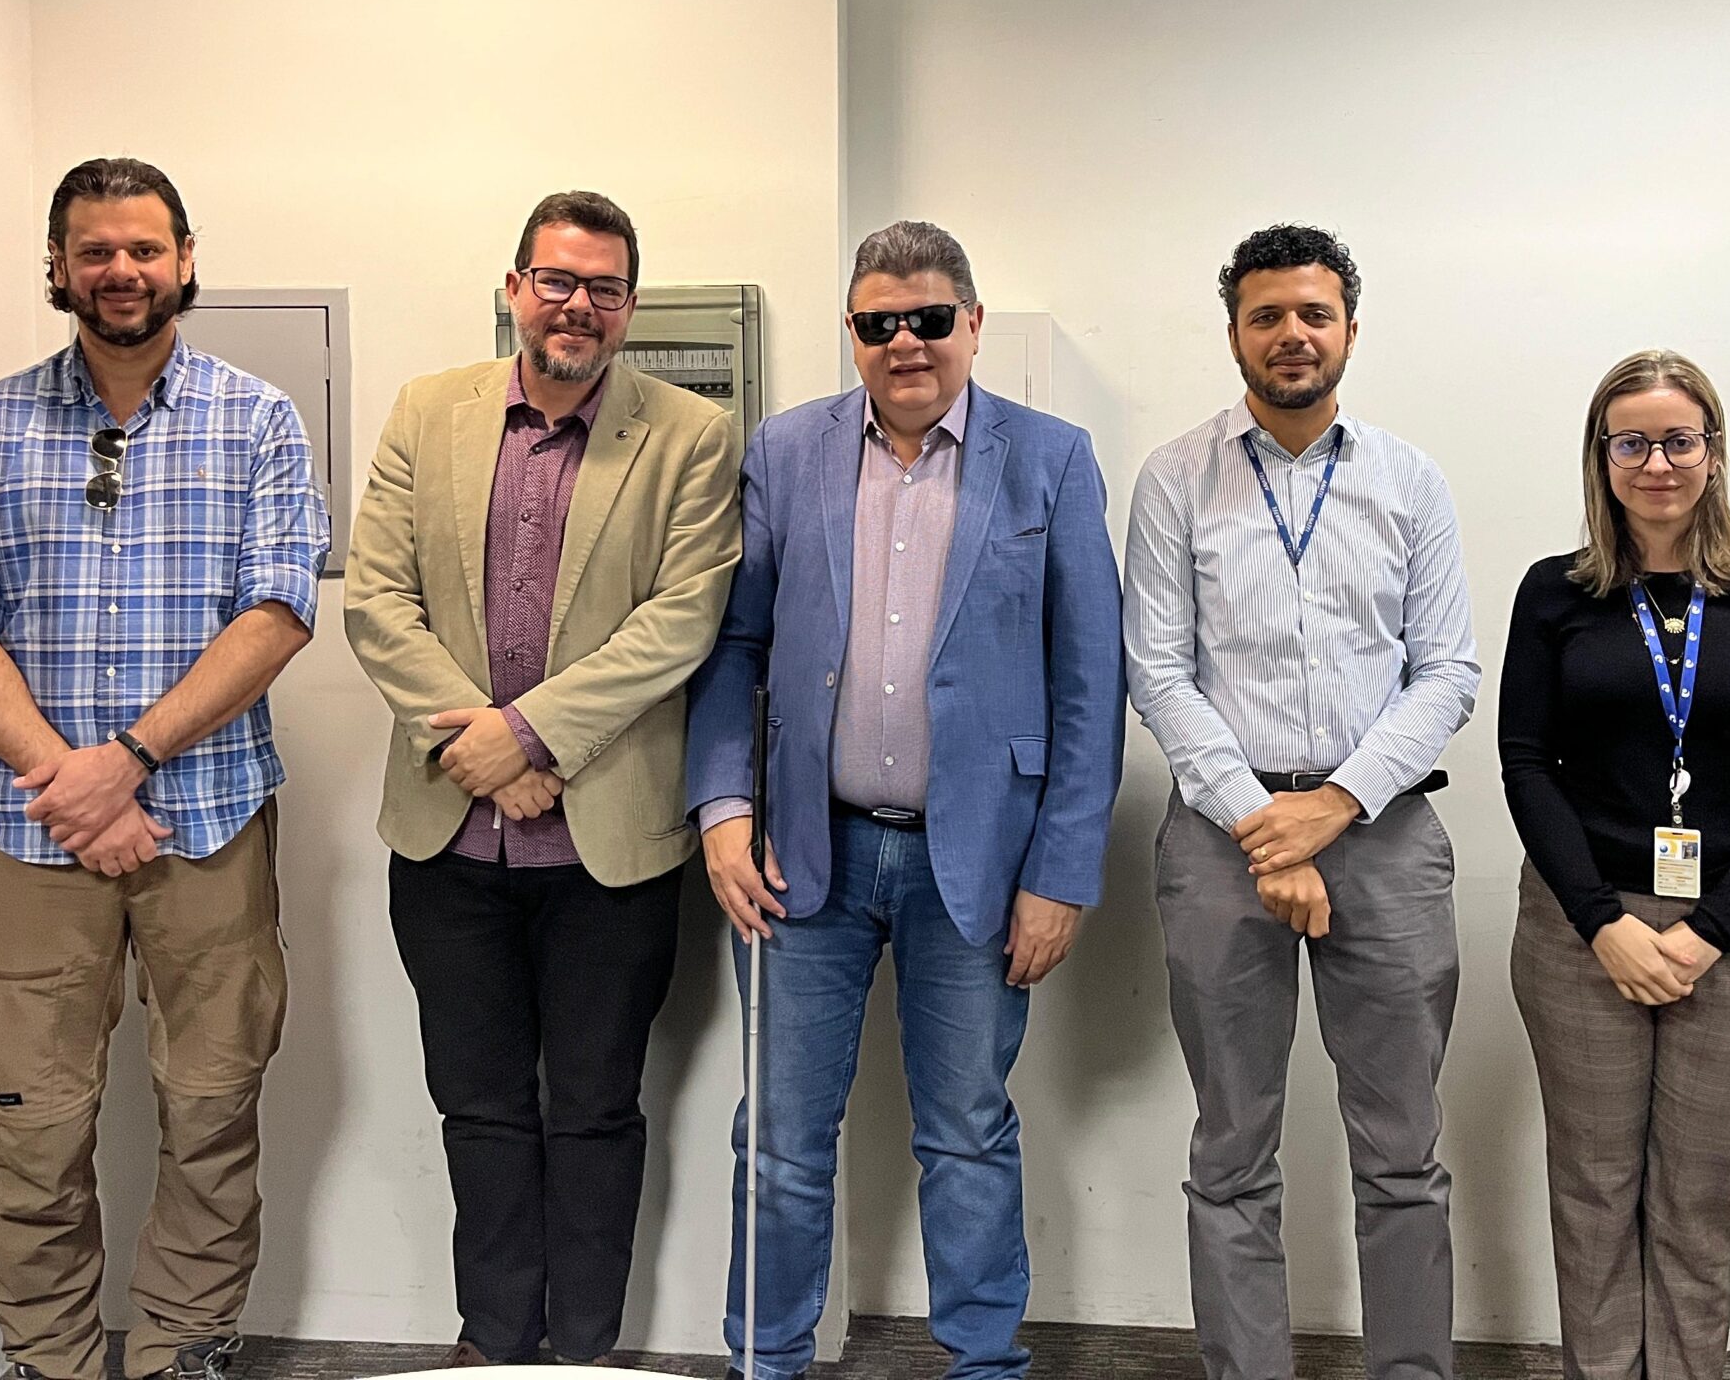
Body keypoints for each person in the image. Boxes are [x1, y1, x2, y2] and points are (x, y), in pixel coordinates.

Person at [0, 157, 331, 1380]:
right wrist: (71, 782)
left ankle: (181, 1351)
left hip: (208, 821)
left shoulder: (257, 419)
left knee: (212, 1110)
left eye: (145, 248)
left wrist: (134, 759)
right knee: (34, 1126)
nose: (122, 271)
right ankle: (48, 1360)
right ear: (57, 267)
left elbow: (280, 609)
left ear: (186, 258)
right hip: (33, 834)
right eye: (95, 250)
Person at [685, 219, 1125, 1380]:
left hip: (974, 865)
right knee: (776, 1141)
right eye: (878, 324)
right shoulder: (784, 453)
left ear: (971, 325)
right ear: (852, 334)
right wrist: (722, 808)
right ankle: (765, 1360)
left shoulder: (1053, 459)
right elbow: (734, 646)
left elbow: (1091, 683)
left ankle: (982, 1363)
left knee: (967, 1135)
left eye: (929, 319)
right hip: (801, 861)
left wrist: (1059, 875)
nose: (905, 343)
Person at [345, 189, 742, 1368]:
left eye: (604, 288)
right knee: (478, 1112)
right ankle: (493, 1350)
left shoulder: (690, 435)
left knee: (596, 1115)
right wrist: (473, 743)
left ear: (629, 306)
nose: (578, 306)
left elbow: (682, 621)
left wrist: (527, 739)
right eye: (557, 281)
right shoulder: (429, 412)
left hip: (607, 851)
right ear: (517, 287)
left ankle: (582, 1357)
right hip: (446, 844)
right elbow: (375, 599)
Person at [1123, 222, 1477, 1380]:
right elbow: (1157, 672)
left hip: (1383, 839)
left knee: (1402, 1152)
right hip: (1223, 848)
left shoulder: (1408, 480)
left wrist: (1332, 807)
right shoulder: (1175, 477)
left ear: (1350, 332)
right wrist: (1261, 831)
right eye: (1266, 314)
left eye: (1312, 314)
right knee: (1231, 1147)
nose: (1291, 334)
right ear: (1233, 333)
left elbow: (1448, 673)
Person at [1498, 349, 1730, 1380]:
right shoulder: (1555, 596)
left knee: (1695, 1193)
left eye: (1677, 439)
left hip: (1725, 934)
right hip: (1580, 931)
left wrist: (1705, 935)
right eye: (1632, 441)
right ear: (1602, 460)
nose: (1657, 462)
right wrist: (1603, 921)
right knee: (1594, 1187)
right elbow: (1524, 762)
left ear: (1714, 453)